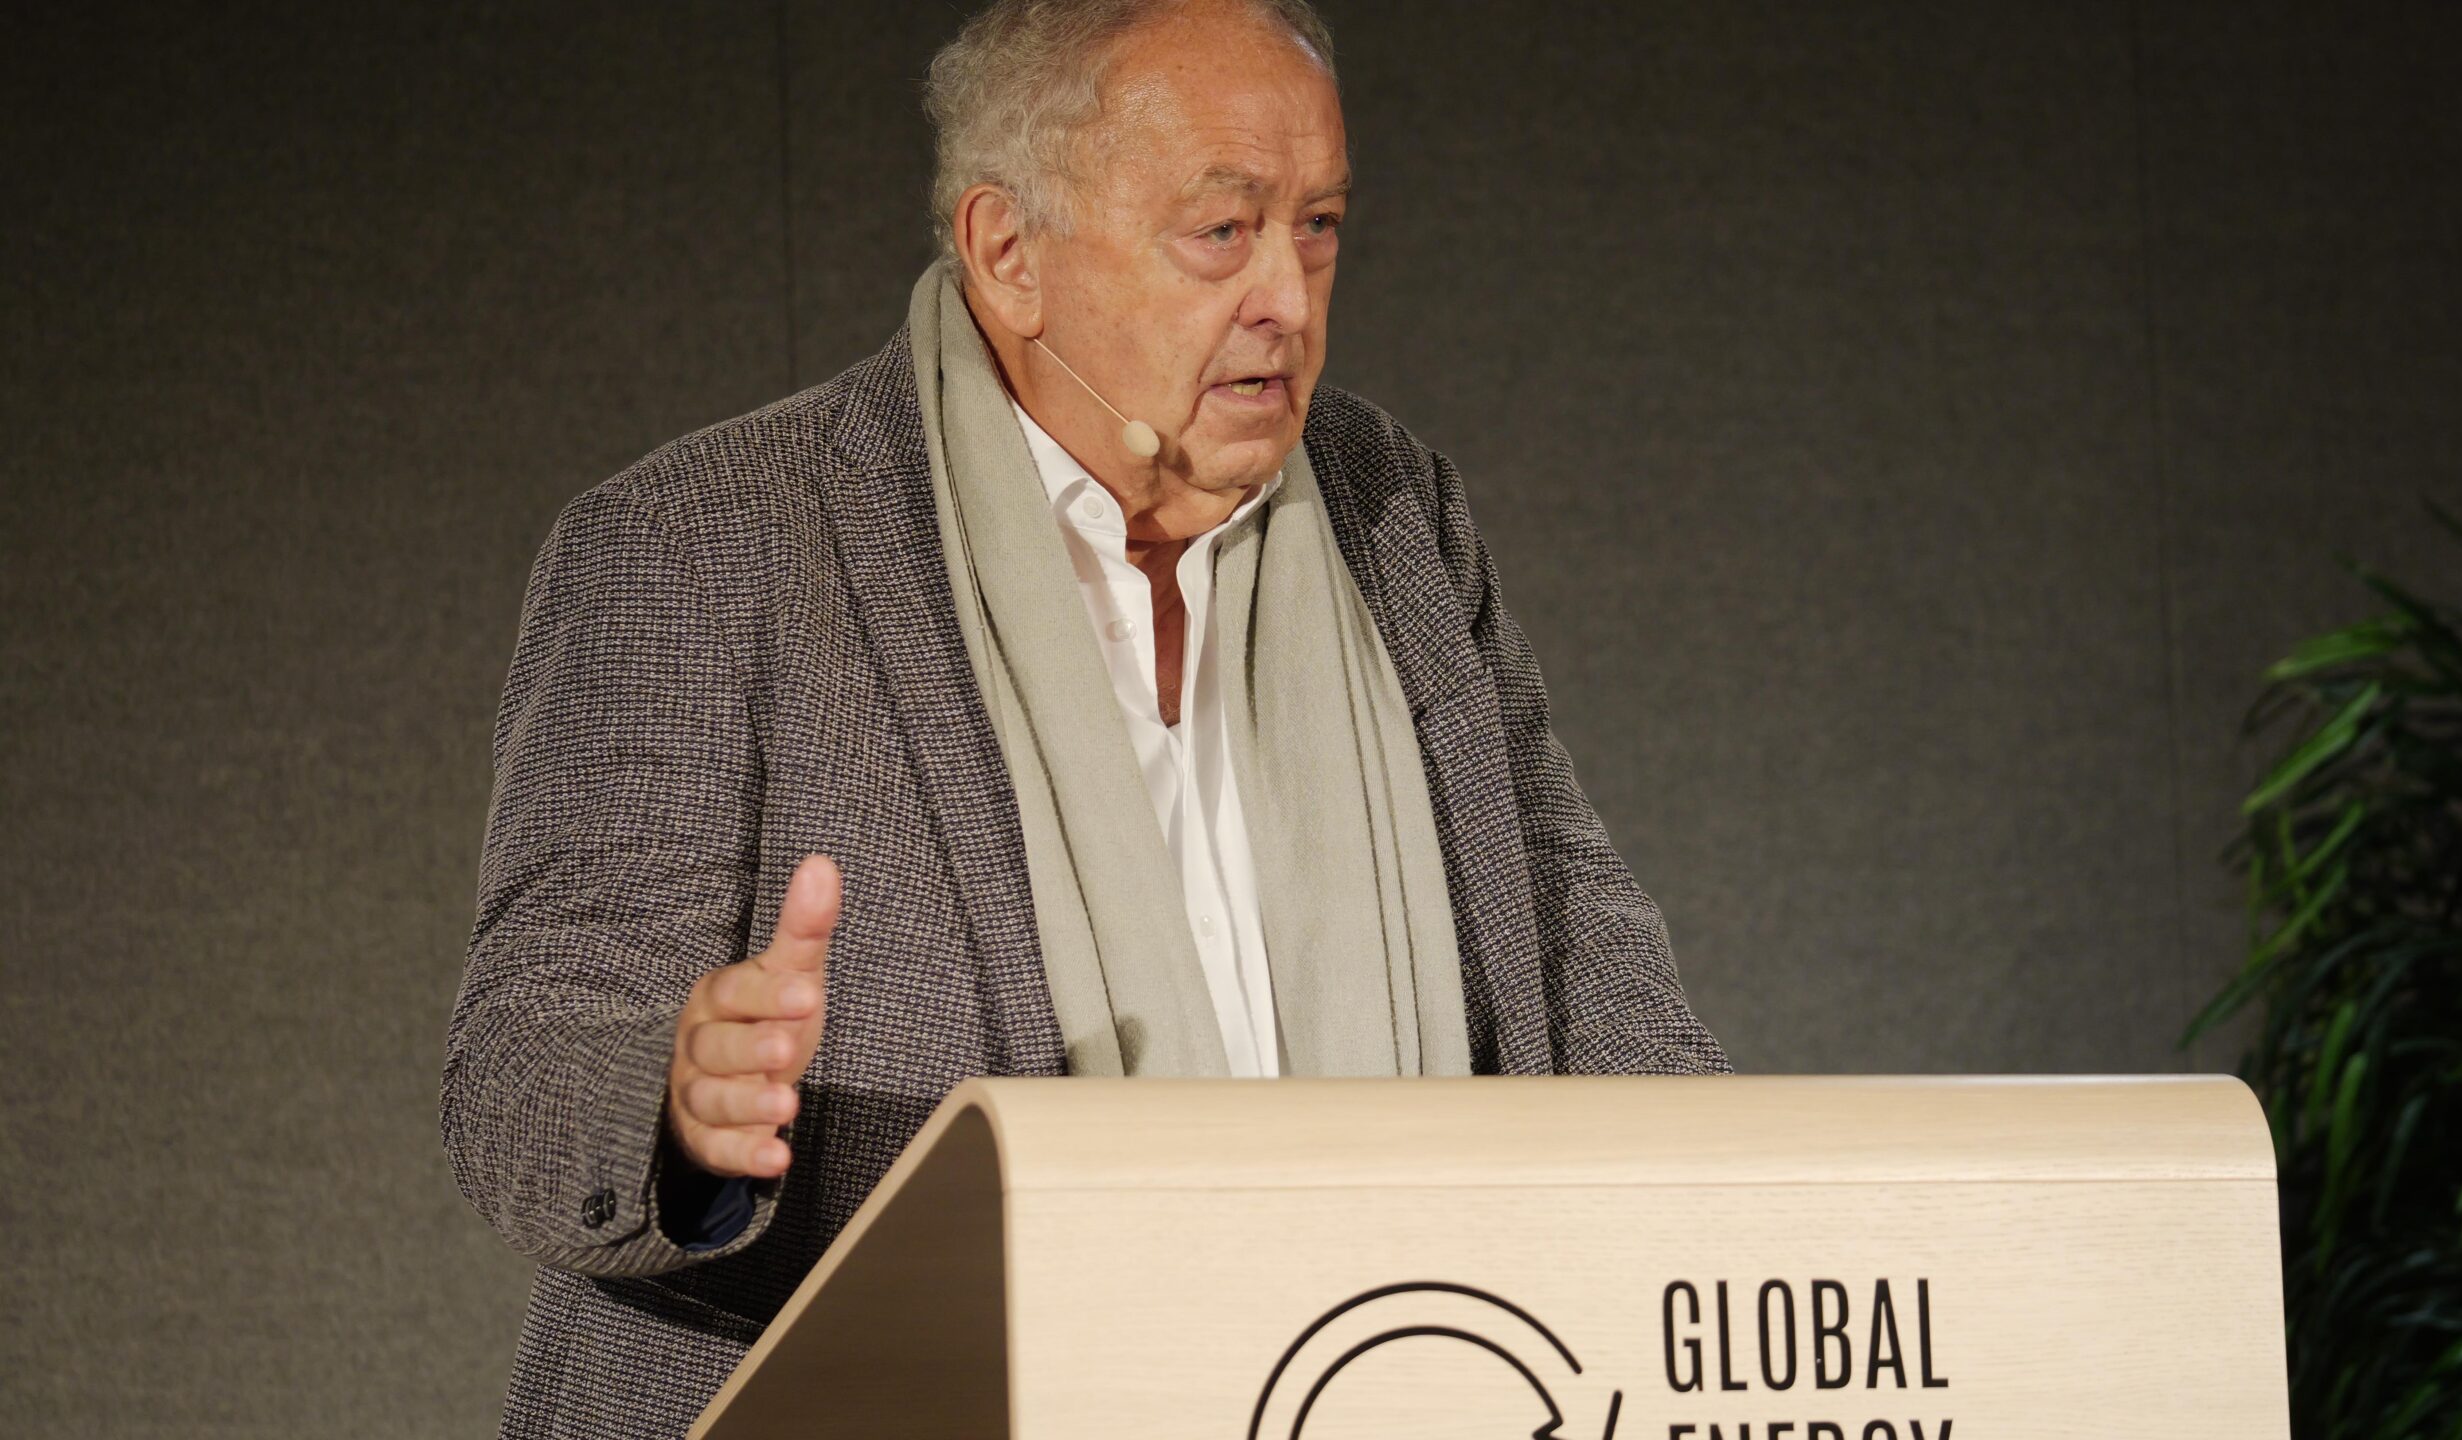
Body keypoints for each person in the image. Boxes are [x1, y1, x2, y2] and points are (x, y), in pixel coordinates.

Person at [439, 0, 1731, 1435]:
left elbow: (1580, 958)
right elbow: (525, 1066)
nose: (1290, 299)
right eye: (1221, 231)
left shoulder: (1392, 511)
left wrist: (1743, 1222)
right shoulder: (704, 543)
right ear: (1010, 253)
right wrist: (682, 1109)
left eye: (1317, 225)